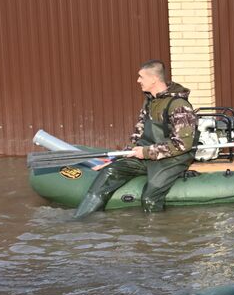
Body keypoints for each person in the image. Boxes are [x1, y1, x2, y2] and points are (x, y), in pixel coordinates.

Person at [73, 61, 197, 217]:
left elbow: (183, 144)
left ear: (153, 80)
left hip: (173, 158)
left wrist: (145, 152)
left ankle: (157, 236)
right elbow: (138, 133)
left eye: (141, 77)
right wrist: (122, 155)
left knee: (150, 197)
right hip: (146, 154)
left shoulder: (179, 105)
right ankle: (82, 220)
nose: (138, 81)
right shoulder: (150, 101)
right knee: (110, 172)